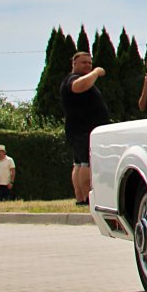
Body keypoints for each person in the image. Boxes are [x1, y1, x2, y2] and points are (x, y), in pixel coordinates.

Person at [60, 51, 110, 205]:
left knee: (79, 163)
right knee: (86, 163)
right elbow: (78, 87)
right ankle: (87, 198)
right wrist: (95, 72)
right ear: (74, 64)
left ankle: (81, 198)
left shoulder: (78, 79)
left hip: (81, 129)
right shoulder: (73, 79)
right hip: (83, 130)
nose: (88, 65)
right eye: (84, 62)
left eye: (90, 63)